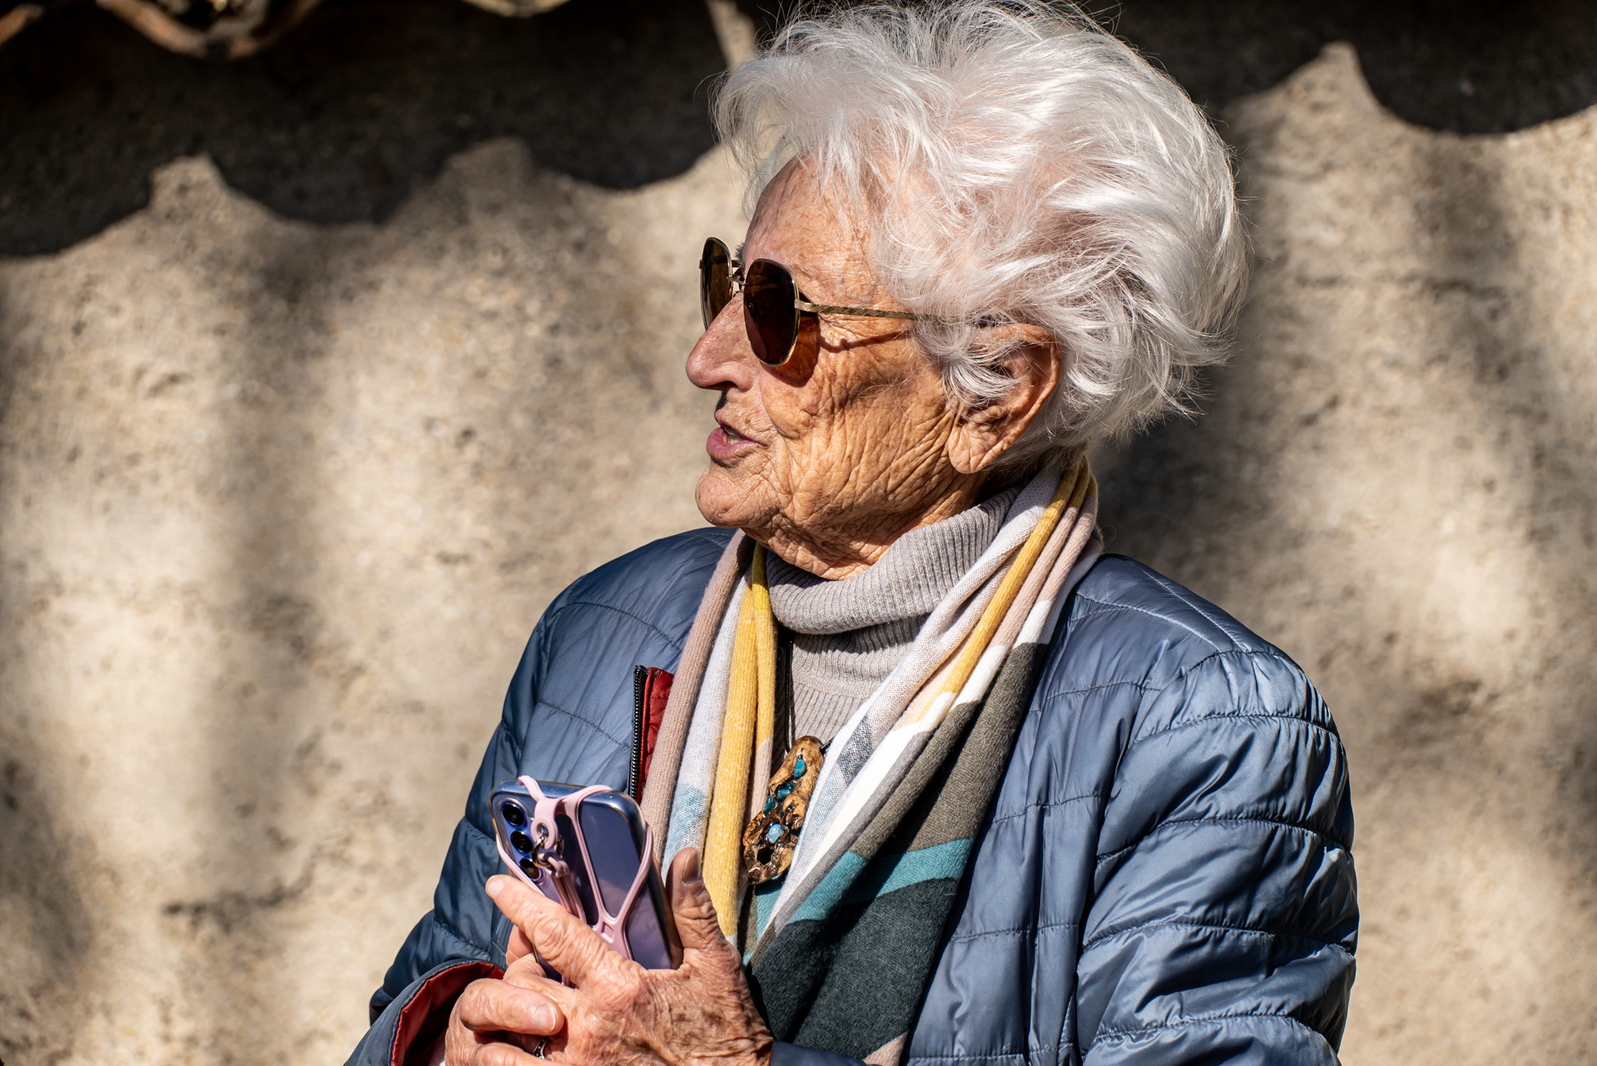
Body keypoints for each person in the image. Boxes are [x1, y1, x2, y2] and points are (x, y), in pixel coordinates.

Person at [345, 3, 1357, 1065]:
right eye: (726, 284)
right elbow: (415, 990)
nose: (710, 355)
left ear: (995, 394)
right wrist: (449, 1038)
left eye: (782, 312)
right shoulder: (606, 626)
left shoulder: (1206, 731)